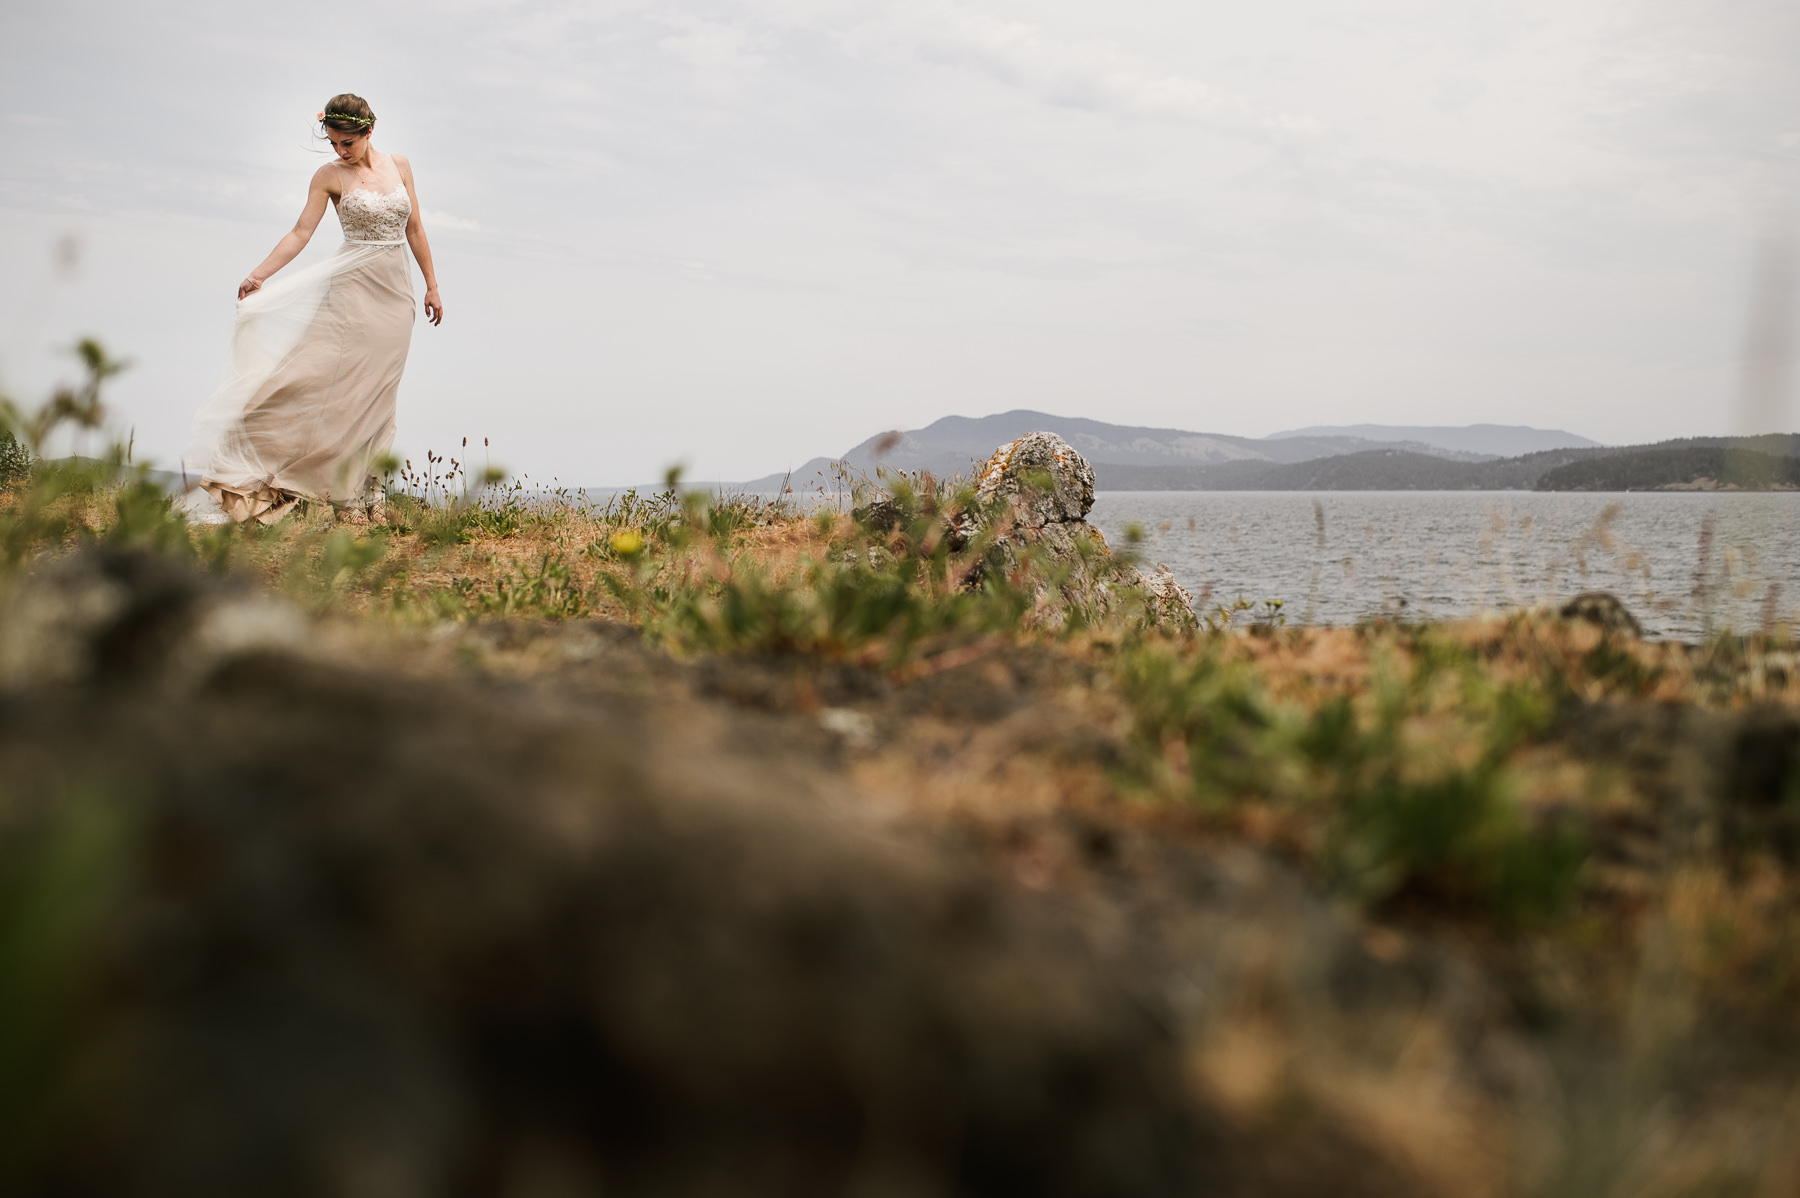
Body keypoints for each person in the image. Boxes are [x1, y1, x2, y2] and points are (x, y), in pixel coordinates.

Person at [185, 93, 442, 524]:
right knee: (318, 378)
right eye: (334, 143)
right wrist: (258, 274)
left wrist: (432, 285)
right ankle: (317, 489)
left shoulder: (400, 165)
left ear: (368, 132)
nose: (341, 151)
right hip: (352, 288)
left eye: (348, 143)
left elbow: (415, 227)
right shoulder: (328, 176)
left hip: (396, 292)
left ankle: (369, 498)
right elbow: (300, 233)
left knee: (381, 392)